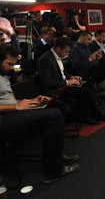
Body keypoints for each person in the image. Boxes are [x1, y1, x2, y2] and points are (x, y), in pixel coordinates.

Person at [0, 45, 80, 183]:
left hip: (11, 111)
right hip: (3, 119)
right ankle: (53, 171)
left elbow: (7, 99)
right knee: (53, 116)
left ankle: (55, 156)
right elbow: (9, 104)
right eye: (9, 64)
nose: (12, 68)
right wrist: (16, 106)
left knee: (56, 105)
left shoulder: (3, 75)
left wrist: (29, 101)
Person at [37, 37, 105, 124]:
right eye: (66, 51)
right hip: (55, 90)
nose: (67, 54)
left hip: (62, 85)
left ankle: (86, 115)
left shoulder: (56, 56)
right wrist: (67, 82)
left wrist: (71, 77)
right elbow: (47, 82)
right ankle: (96, 115)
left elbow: (62, 73)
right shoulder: (46, 59)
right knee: (86, 91)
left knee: (88, 85)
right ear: (58, 48)